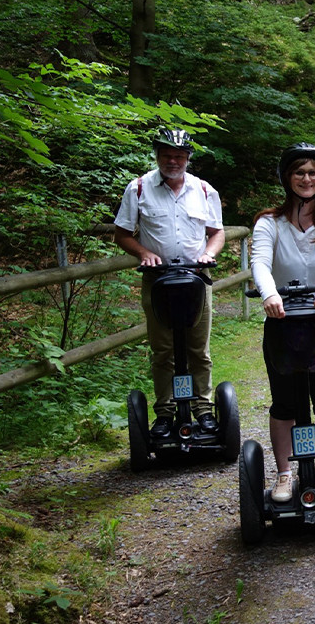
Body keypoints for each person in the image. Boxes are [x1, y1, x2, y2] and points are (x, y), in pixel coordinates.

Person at [251, 143, 315, 502]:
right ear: (287, 178)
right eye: (299, 172)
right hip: (282, 323)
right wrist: (268, 293)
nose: (307, 179)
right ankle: (283, 475)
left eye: (313, 173)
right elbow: (261, 263)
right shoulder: (270, 224)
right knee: (285, 403)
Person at [115, 127, 225, 438]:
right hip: (158, 281)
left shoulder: (204, 190)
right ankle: (164, 412)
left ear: (188, 158)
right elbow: (122, 234)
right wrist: (144, 252)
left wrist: (208, 253)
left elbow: (217, 232)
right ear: (157, 156)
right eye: (167, 155)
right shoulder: (138, 189)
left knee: (198, 349)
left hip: (195, 280)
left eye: (178, 155)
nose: (172, 161)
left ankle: (203, 409)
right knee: (162, 350)